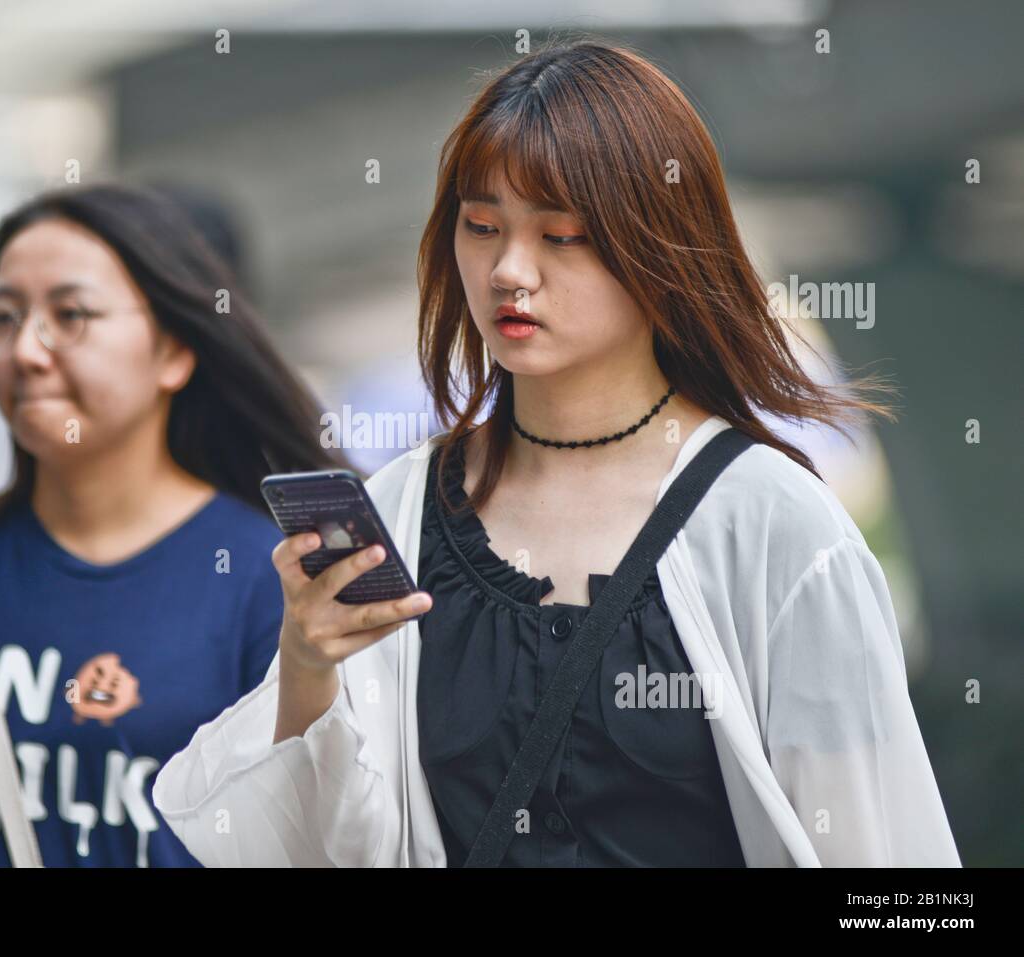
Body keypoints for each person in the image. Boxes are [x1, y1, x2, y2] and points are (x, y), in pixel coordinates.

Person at [151, 40, 961, 867]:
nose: (509, 270)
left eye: (562, 235)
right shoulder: (401, 508)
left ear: (661, 245)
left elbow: (883, 856)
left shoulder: (772, 526)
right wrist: (309, 662)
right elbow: (318, 846)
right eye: (481, 226)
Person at [0, 183, 348, 866]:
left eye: (70, 314)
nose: (28, 351)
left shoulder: (268, 577)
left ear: (174, 352)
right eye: (5, 318)